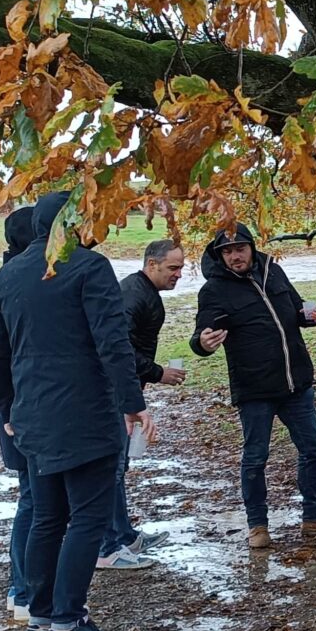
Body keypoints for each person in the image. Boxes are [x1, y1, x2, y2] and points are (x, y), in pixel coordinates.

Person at [0, 191, 150, 631]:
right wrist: (133, 403)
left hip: (32, 415)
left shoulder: (5, 276)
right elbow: (111, 342)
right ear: (71, 224)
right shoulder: (89, 267)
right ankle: (70, 625)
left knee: (48, 516)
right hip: (85, 413)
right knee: (88, 518)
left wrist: (8, 407)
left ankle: (41, 618)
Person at [188, 223, 316, 550]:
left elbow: (297, 309)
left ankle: (314, 516)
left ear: (251, 248)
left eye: (239, 248)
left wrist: (307, 316)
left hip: (295, 383)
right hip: (254, 388)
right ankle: (257, 525)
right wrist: (202, 342)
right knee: (255, 458)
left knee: (312, 447)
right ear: (220, 256)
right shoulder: (214, 290)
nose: (234, 256)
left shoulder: (274, 271)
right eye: (227, 252)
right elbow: (201, 337)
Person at [99, 238, 186, 572]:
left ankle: (124, 535)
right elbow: (118, 350)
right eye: (172, 268)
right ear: (152, 264)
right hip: (113, 392)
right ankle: (110, 544)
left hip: (125, 390)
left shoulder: (145, 293)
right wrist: (157, 373)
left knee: (119, 467)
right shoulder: (133, 295)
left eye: (180, 267)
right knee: (112, 469)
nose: (178, 274)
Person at [0, 204, 42, 626]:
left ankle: (25, 589)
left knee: (32, 498)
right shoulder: (21, 283)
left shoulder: (6, 278)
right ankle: (24, 590)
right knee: (34, 500)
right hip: (27, 409)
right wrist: (10, 408)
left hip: (18, 407)